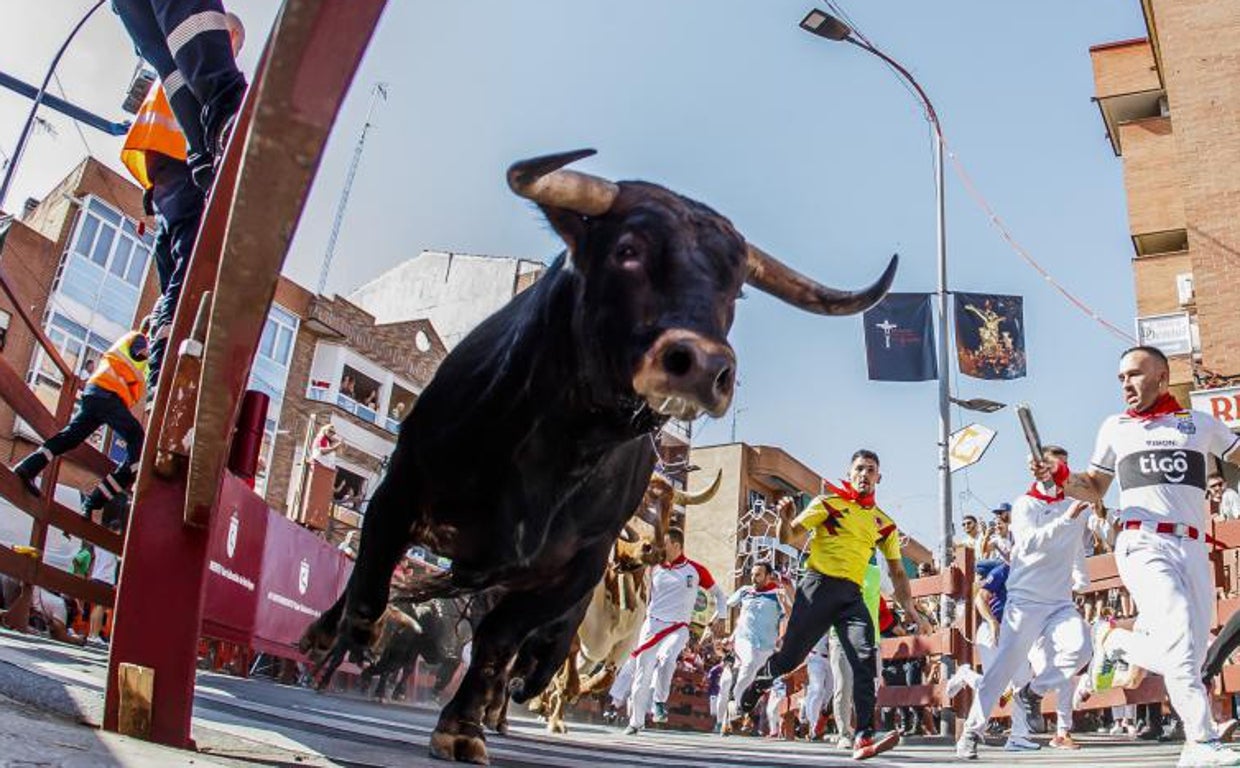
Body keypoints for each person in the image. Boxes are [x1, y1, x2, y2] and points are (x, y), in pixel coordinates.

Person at [1037, 345, 1240, 767]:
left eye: (1133, 374)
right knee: (1180, 630)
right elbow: (1093, 488)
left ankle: (1118, 642)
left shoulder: (1200, 424)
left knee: (1191, 653)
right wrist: (1059, 477)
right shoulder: (1115, 428)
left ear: (1163, 377)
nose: (1125, 384)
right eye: (1120, 378)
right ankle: (1200, 740)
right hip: (1142, 542)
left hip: (1193, 544)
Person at [738, 449, 930, 761]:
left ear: (879, 478)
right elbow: (790, 535)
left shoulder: (885, 524)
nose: (864, 474)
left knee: (866, 657)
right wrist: (784, 520)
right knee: (789, 659)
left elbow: (897, 571)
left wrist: (909, 608)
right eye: (859, 469)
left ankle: (863, 735)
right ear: (850, 472)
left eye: (870, 469)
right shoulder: (827, 503)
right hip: (817, 587)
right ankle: (755, 688)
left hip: (851, 597)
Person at [120, 10, 246, 391]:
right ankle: (165, 358)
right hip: (177, 167)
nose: (233, 51)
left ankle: (160, 362)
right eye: (234, 44)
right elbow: (194, 118)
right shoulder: (194, 59)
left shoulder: (169, 70)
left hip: (163, 173)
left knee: (173, 263)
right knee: (187, 259)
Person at [956, 445, 1096, 758]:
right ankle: (971, 732)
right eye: (1057, 467)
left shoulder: (1076, 503)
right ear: (1040, 469)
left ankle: (1032, 692)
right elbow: (1030, 542)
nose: (1063, 475)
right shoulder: (1025, 504)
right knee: (1001, 669)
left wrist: (1081, 577)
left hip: (1059, 601)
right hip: (1024, 602)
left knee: (1082, 647)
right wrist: (1064, 520)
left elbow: (1074, 544)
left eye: (1066, 468)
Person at [11, 331, 148, 516]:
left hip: (98, 395)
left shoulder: (131, 344)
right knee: (137, 438)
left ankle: (28, 467)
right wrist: (156, 352)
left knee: (69, 438)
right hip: (107, 395)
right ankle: (97, 499)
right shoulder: (140, 337)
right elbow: (139, 352)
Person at [111, 1, 247, 183]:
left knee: (167, 62)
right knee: (185, 14)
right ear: (232, 35)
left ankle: (205, 160)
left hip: (177, 172)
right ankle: (226, 117)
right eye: (238, 46)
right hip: (195, 152)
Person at [625, 528, 726, 735]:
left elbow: (719, 595)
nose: (661, 546)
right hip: (652, 625)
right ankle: (635, 722)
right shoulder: (653, 567)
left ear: (677, 546)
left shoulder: (696, 570)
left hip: (678, 627)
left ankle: (659, 702)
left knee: (668, 658)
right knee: (642, 673)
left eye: (666, 543)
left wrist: (721, 616)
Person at [717, 561, 788, 734]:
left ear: (768, 576)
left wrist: (784, 637)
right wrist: (714, 622)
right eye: (753, 574)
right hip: (744, 640)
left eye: (758, 575)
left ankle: (738, 710)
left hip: (767, 647)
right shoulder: (745, 591)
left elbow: (790, 615)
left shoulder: (777, 595)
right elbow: (726, 604)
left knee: (755, 682)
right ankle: (734, 707)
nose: (753, 578)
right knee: (746, 665)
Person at [87, 523, 122, 647]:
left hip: (96, 576)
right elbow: (120, 558)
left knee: (96, 607)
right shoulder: (113, 545)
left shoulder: (99, 544)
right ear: (114, 531)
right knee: (100, 607)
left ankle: (91, 633)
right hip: (105, 578)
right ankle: (95, 635)